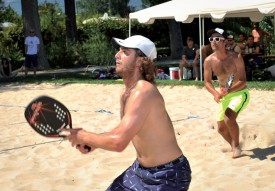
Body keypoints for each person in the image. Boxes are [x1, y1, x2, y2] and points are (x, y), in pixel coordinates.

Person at [63, 35, 191, 190]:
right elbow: (122, 130)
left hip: (168, 174)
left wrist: (84, 136)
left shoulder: (144, 91)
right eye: (119, 51)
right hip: (140, 170)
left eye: (125, 52)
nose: (117, 55)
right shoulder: (127, 93)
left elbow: (118, 142)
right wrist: (94, 143)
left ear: (140, 61)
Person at [203, 28, 250, 159]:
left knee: (229, 118)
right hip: (224, 95)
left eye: (217, 39)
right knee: (221, 128)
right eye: (211, 39)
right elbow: (207, 82)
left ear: (225, 42)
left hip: (240, 93)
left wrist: (228, 90)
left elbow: (243, 81)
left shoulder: (236, 57)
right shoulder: (209, 60)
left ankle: (236, 147)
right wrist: (215, 94)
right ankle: (235, 144)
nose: (213, 42)